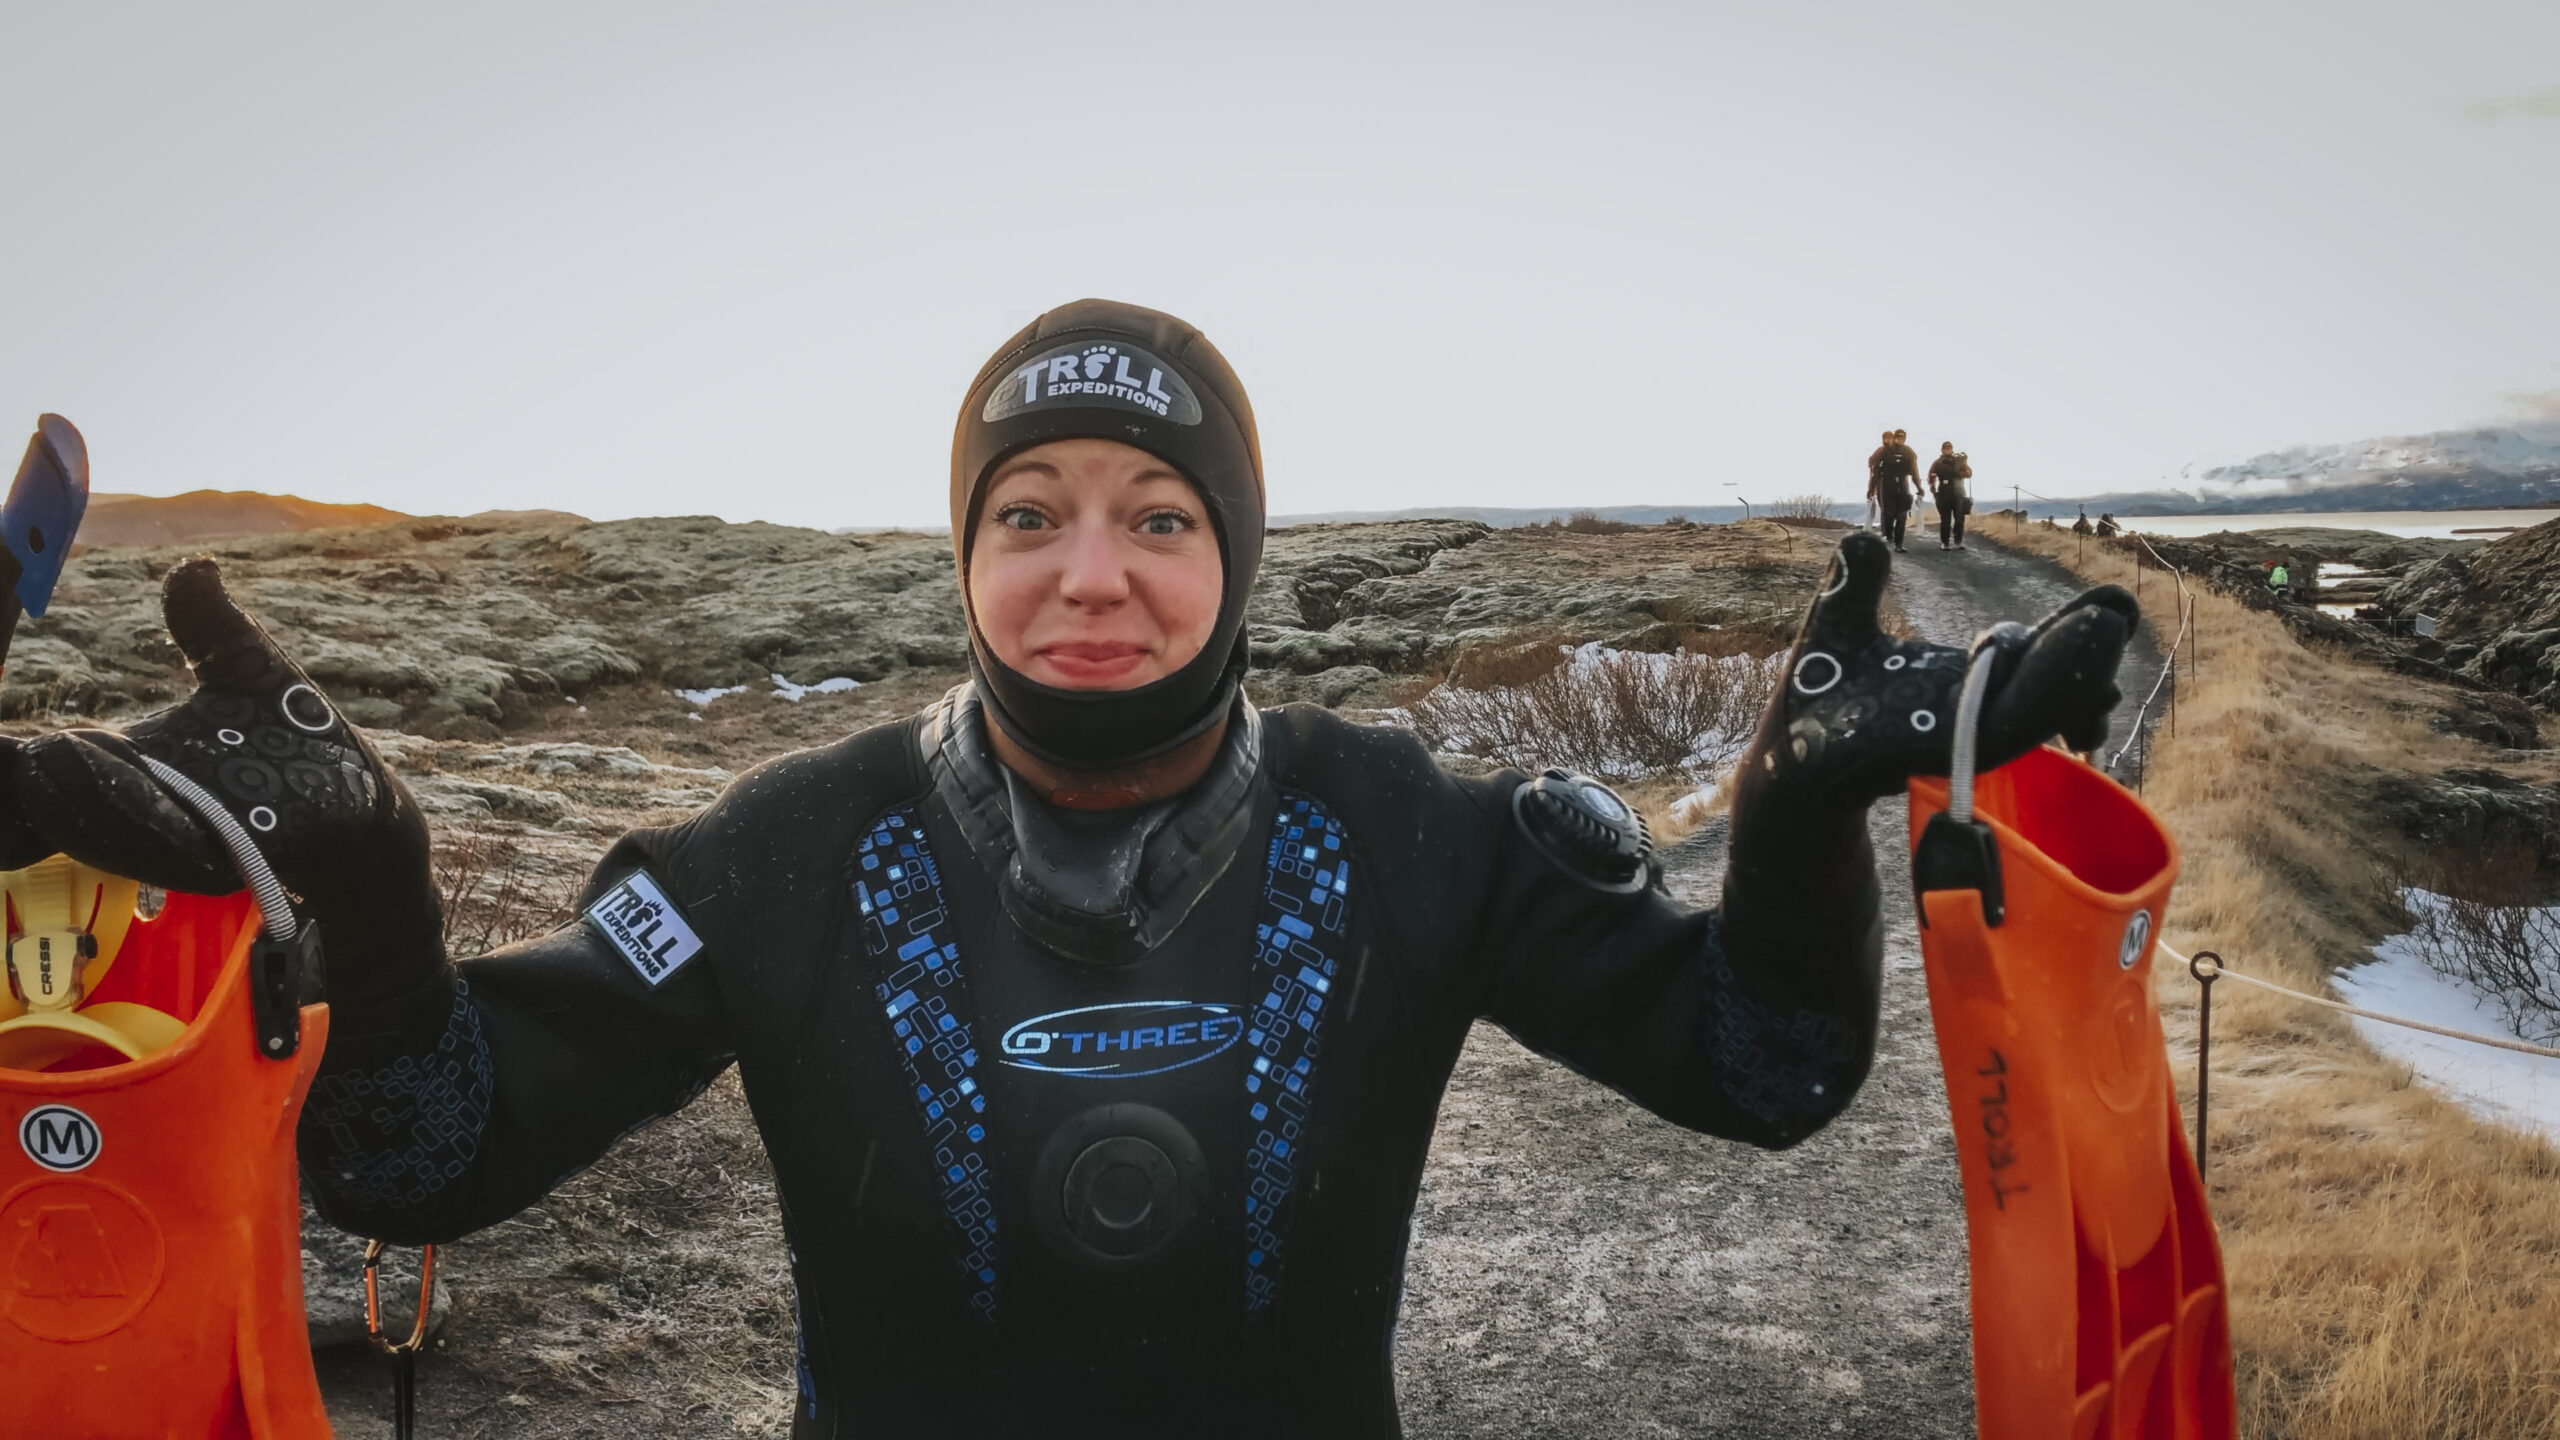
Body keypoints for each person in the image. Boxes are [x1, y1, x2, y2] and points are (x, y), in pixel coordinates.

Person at [1, 299, 2139, 1438]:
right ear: (962, 555)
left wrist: (1792, 820)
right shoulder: (786, 853)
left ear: (1237, 557)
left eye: (1157, 514)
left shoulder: (1404, 831)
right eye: (1026, 512)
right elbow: (422, 1154)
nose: (1089, 572)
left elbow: (1762, 1067)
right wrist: (373, 892)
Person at [1869, 428, 1919, 552]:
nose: (1900, 440)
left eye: (1902, 438)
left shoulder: (1908, 452)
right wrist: (1871, 488)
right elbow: (1875, 471)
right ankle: (1888, 536)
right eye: (1898, 437)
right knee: (1889, 515)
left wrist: (1919, 487)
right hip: (1887, 486)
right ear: (1894, 437)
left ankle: (1899, 544)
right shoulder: (1884, 451)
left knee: (1902, 516)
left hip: (1903, 486)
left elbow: (1914, 471)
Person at [1927, 442, 1972, 550]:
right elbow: (1931, 477)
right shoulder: (1937, 463)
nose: (1947, 450)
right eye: (1945, 449)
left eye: (1949, 448)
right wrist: (1933, 491)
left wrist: (1964, 466)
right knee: (1945, 520)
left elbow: (1969, 474)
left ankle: (1958, 541)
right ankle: (1945, 542)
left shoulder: (1959, 461)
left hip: (1959, 494)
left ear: (1952, 449)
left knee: (1959, 520)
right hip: (1944, 494)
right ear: (1942, 450)